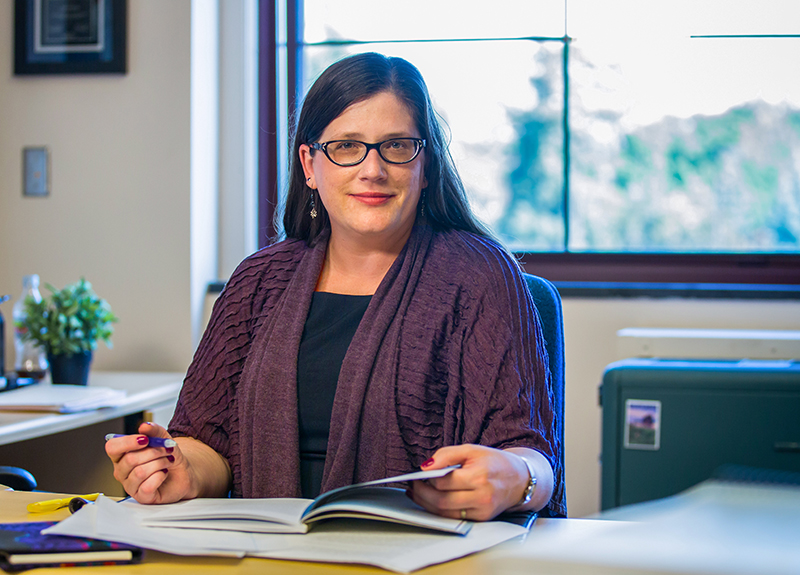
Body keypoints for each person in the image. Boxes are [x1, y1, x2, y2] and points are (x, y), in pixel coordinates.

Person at [106, 52, 566, 520]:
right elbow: (205, 446)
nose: (373, 170)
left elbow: (534, 459)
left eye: (397, 146)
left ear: (424, 165)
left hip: (424, 555)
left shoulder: (480, 275)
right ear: (310, 164)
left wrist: (514, 478)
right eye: (346, 146)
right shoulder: (256, 282)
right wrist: (178, 469)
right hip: (266, 552)